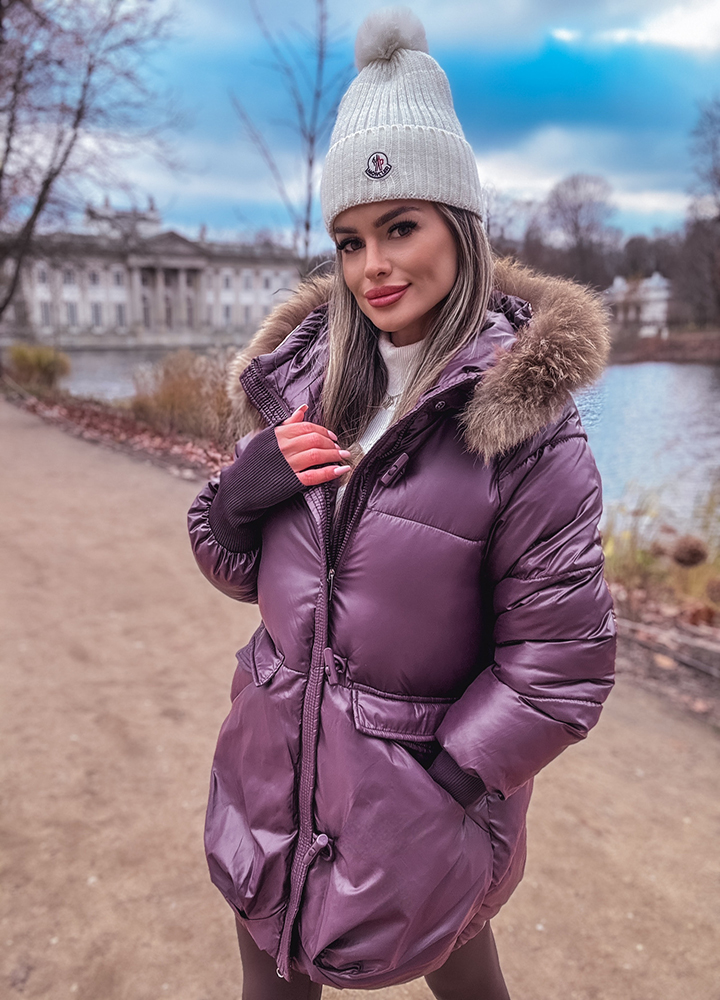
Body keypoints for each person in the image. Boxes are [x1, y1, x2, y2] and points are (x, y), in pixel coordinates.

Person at [188, 8, 616, 999]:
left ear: (458, 226)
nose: (372, 265)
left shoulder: (523, 425)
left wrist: (442, 783)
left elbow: (562, 662)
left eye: (400, 227)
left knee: (465, 977)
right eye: (350, 240)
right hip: (271, 780)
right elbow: (237, 567)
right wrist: (243, 493)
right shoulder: (304, 387)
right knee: (267, 972)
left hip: (419, 809)